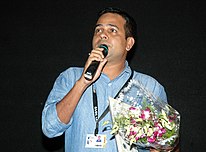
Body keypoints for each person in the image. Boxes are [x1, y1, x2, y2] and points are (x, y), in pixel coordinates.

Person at [42, 7, 171, 152]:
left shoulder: (150, 87)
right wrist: (83, 82)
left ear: (129, 43)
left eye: (112, 30)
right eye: (98, 30)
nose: (102, 34)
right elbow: (49, 128)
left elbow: (168, 143)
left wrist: (163, 146)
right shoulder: (70, 77)